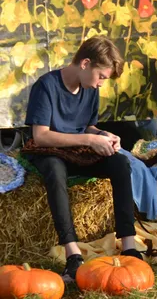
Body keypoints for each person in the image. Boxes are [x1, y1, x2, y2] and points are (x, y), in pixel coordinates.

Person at [25, 37, 142, 283]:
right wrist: (89, 140)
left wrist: (103, 135)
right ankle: (73, 255)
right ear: (86, 63)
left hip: (77, 149)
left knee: (121, 163)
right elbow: (41, 136)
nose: (100, 84)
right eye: (101, 76)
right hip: (49, 151)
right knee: (56, 172)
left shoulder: (89, 89)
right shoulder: (46, 86)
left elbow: (88, 126)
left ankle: (129, 247)